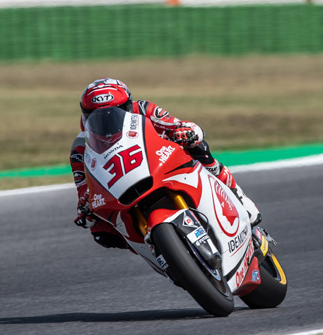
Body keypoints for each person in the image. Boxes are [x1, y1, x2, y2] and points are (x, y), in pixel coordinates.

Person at [71, 78, 260, 249]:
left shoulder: (144, 109)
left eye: (115, 113)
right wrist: (83, 208)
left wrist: (186, 131)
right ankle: (160, 251)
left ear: (128, 107)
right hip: (119, 188)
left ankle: (237, 195)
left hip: (159, 164)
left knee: (198, 146)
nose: (107, 121)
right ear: (85, 115)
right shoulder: (80, 147)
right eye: (96, 116)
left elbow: (176, 124)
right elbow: (83, 187)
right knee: (102, 234)